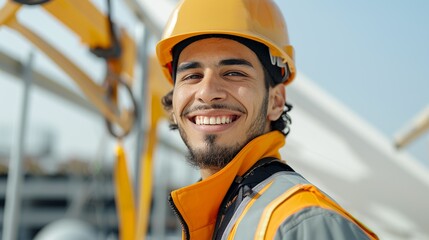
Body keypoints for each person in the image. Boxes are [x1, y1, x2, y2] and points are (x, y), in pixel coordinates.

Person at [156, 0, 378, 239]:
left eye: (233, 73)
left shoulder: (305, 226)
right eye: (192, 76)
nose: (207, 92)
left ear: (276, 101)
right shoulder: (223, 219)